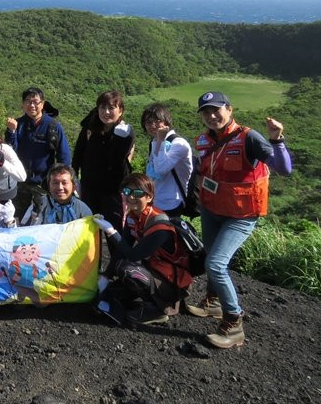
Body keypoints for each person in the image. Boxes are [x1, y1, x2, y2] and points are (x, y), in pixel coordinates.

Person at [185, 91, 292, 349]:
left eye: (216, 110)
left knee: (216, 264)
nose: (211, 116)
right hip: (212, 210)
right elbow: (201, 171)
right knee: (210, 254)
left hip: (241, 215)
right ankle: (213, 302)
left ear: (229, 110)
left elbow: (284, 168)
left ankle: (234, 323)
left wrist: (277, 139)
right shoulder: (202, 141)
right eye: (205, 112)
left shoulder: (249, 138)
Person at [93, 174, 194, 327]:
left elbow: (134, 254)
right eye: (127, 192)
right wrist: (106, 277)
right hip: (154, 271)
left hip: (171, 282)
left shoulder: (160, 225)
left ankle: (159, 309)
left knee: (127, 270)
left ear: (149, 197)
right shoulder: (134, 216)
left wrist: (111, 232)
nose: (131, 197)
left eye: (138, 193)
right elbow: (123, 247)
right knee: (110, 292)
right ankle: (146, 299)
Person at [72, 90, 135, 240]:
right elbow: (77, 155)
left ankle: (118, 263)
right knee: (88, 233)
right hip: (89, 190)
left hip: (113, 193)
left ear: (120, 111)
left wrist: (122, 139)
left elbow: (120, 161)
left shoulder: (125, 133)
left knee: (115, 233)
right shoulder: (89, 129)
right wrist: (74, 180)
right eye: (102, 107)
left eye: (111, 108)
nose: (106, 112)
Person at [5, 87, 71, 224]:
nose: (32, 105)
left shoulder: (53, 126)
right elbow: (11, 150)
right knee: (19, 219)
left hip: (43, 183)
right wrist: (11, 132)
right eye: (28, 101)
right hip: (20, 182)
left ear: (42, 103)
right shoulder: (18, 124)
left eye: (36, 101)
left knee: (44, 219)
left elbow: (64, 156)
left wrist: (63, 180)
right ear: (23, 104)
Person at [141, 103, 193, 215]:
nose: (153, 125)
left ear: (166, 121)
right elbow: (151, 171)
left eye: (157, 120)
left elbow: (161, 169)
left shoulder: (179, 143)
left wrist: (161, 141)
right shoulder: (154, 141)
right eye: (149, 122)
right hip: (155, 200)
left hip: (171, 202)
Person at [26, 164, 92, 226]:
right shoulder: (38, 205)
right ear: (48, 186)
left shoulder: (83, 209)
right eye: (55, 183)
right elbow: (25, 231)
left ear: (73, 187)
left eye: (64, 183)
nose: (60, 187)